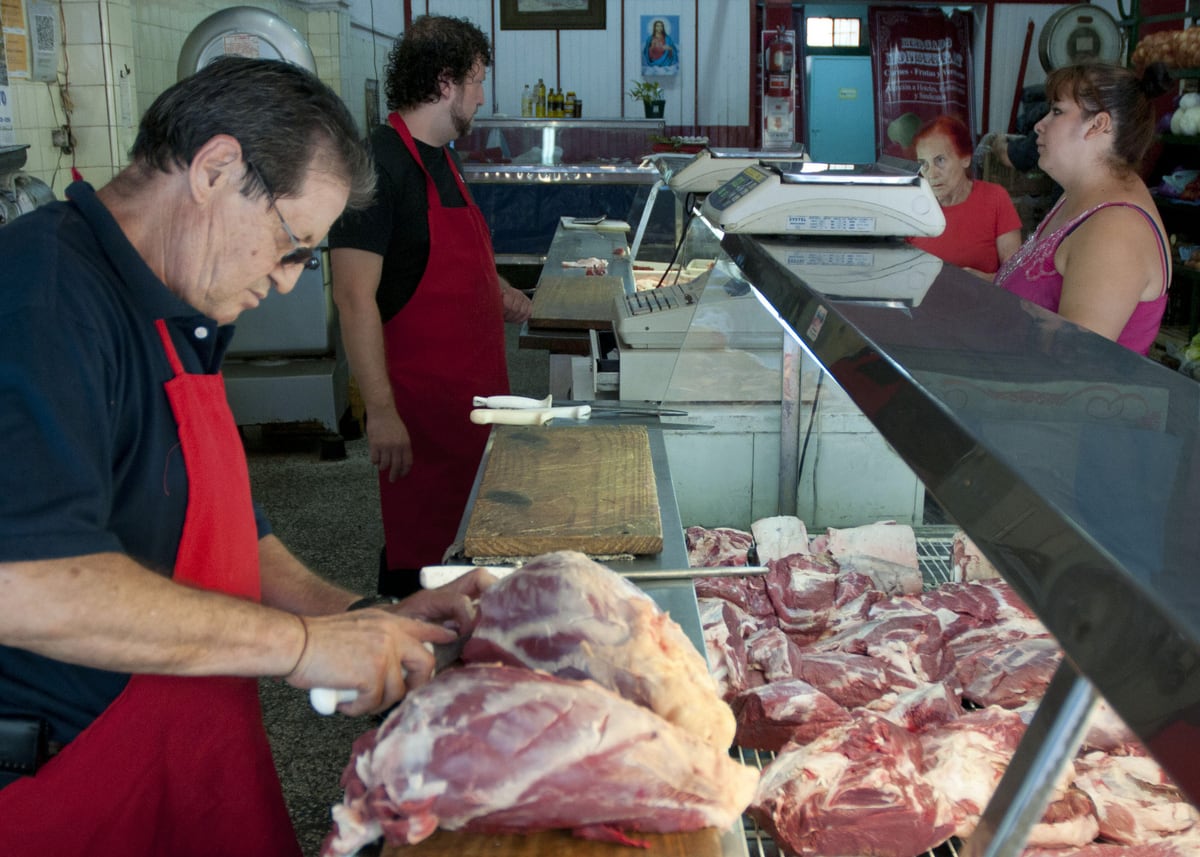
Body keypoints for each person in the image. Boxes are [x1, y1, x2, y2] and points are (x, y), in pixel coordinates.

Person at [0, 57, 493, 857]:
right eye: (292, 244)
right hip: (66, 791)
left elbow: (229, 528)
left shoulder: (175, 299)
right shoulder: (40, 304)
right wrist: (300, 648)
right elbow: (25, 581)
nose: (295, 281)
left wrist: (357, 616)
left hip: (189, 756)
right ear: (216, 169)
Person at [329, 15, 532, 599]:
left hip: (471, 410)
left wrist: (502, 293)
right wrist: (381, 410)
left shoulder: (441, 155)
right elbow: (353, 295)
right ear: (445, 83)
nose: (481, 94)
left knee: (467, 553)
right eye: (475, 80)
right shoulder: (379, 165)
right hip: (420, 419)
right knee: (422, 566)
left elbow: (442, 259)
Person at [994, 61, 1173, 356]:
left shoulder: (1115, 230)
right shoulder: (1075, 198)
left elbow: (1073, 360)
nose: (1040, 124)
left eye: (1057, 111)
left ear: (1098, 124)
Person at [907, 115, 1023, 280]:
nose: (931, 174)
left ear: (965, 159)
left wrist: (983, 281)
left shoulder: (995, 198)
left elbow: (1015, 277)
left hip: (981, 302)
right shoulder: (911, 206)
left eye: (940, 160)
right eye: (923, 164)